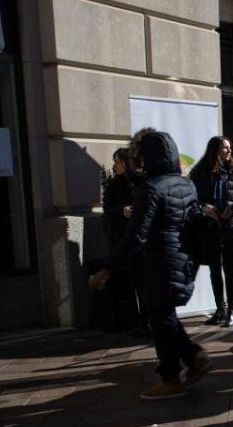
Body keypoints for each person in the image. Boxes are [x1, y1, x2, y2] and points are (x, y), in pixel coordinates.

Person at [89, 129, 211, 401]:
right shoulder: (185, 184)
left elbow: (136, 234)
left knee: (160, 318)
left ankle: (171, 379)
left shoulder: (151, 188)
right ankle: (193, 356)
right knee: (164, 314)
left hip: (159, 262)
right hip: (183, 259)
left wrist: (107, 268)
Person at [190, 136, 233, 328]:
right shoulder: (199, 172)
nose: (229, 151)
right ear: (215, 149)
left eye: (230, 148)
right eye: (225, 148)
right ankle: (220, 309)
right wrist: (206, 208)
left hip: (231, 227)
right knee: (215, 269)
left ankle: (232, 311)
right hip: (210, 228)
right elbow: (192, 200)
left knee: (229, 269)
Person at [103, 148, 150, 336]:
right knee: (132, 283)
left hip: (142, 240)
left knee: (144, 283)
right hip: (124, 240)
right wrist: (122, 211)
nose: (114, 166)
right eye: (114, 162)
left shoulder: (143, 182)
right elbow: (108, 211)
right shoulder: (113, 185)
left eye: (117, 162)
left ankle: (147, 320)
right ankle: (137, 321)